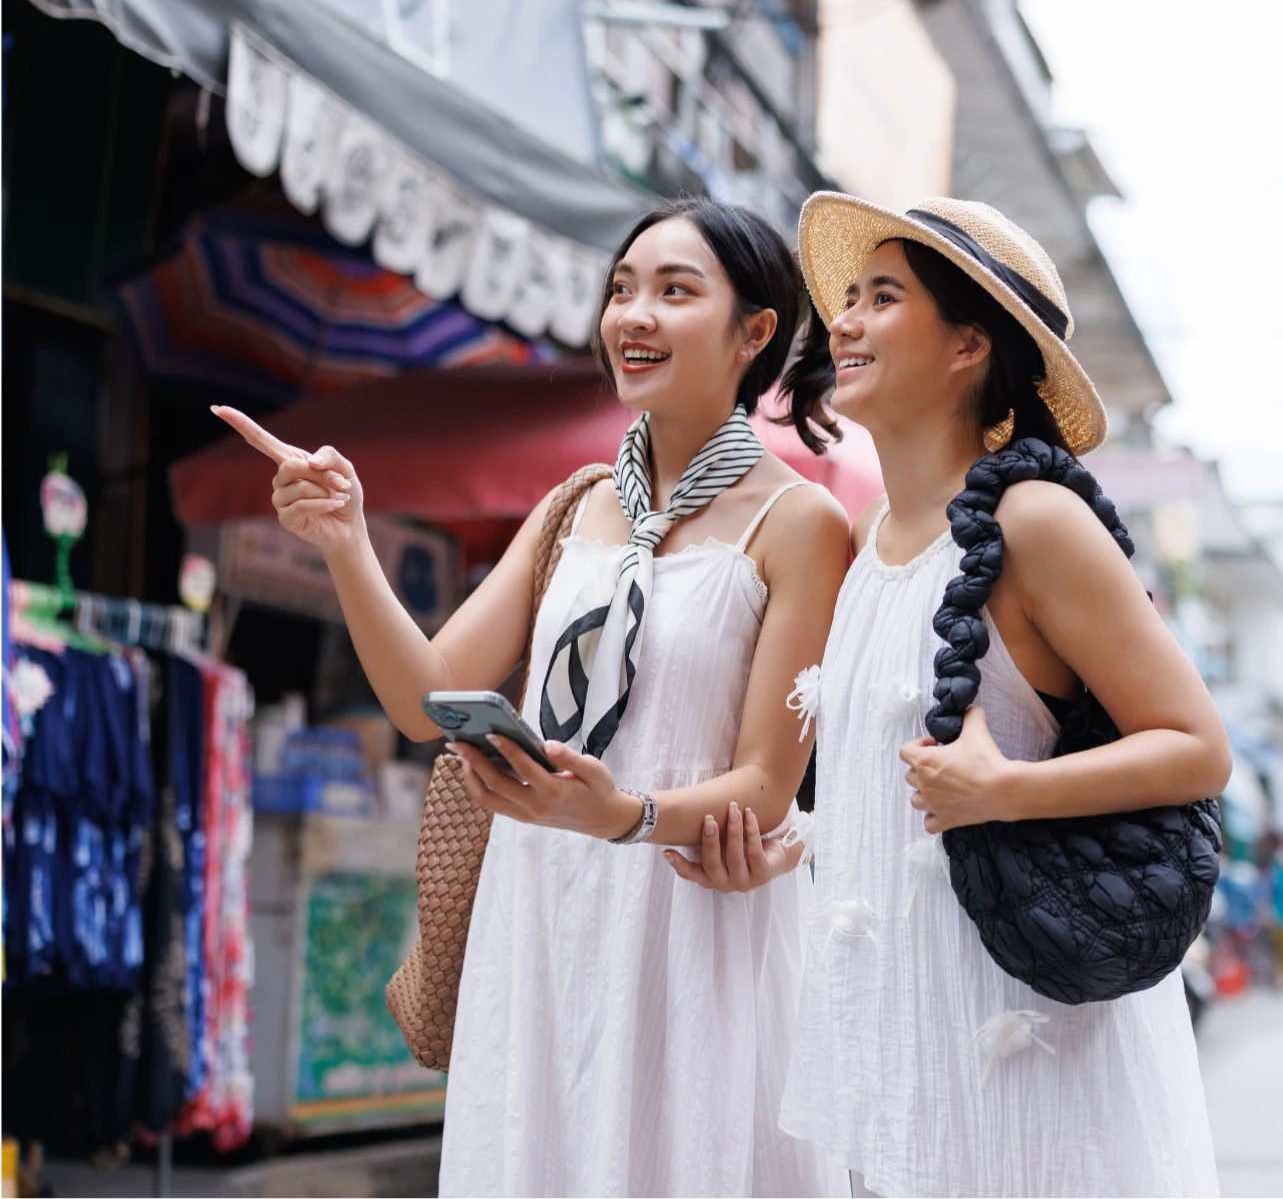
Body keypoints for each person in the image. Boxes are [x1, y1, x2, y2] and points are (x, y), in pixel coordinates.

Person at [214, 199, 850, 1198]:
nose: (630, 314)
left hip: (683, 911)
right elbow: (425, 700)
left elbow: (768, 783)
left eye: (674, 290)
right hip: (542, 905)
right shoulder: (574, 502)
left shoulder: (802, 519)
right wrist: (346, 542)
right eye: (622, 288)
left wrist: (622, 813)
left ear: (756, 331)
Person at [671, 194, 1229, 1198]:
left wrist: (1003, 789)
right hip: (893, 1045)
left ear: (970, 343)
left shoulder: (1037, 521)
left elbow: (1196, 745)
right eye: (847, 297)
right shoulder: (871, 539)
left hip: (1019, 1049)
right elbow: (887, 793)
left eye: (881, 297)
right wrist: (792, 849)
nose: (842, 321)